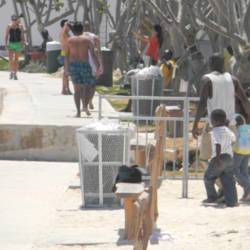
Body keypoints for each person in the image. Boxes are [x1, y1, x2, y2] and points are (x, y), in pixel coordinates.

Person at [192, 54, 250, 159]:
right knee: (228, 160)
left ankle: (215, 174)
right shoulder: (233, 79)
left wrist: (195, 123)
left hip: (213, 126)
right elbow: (245, 100)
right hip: (231, 125)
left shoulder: (207, 79)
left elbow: (202, 104)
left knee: (206, 157)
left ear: (210, 64)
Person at [64, 22, 100, 117]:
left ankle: (78, 112)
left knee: (77, 89)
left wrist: (66, 69)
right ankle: (85, 105)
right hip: (84, 65)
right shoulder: (88, 40)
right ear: (82, 30)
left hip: (74, 66)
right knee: (88, 87)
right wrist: (98, 67)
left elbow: (66, 56)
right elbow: (93, 55)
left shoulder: (69, 41)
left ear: (73, 30)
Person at [203, 109, 238, 207]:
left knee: (208, 178)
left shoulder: (215, 131)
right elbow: (233, 139)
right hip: (229, 157)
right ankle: (232, 202)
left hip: (219, 158)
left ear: (214, 121)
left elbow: (217, 144)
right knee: (228, 180)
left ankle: (212, 197)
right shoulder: (228, 130)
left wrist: (218, 159)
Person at [82, 21, 103, 110]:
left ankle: (84, 103)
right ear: (90, 27)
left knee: (83, 84)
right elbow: (99, 51)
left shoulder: (79, 37)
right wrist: (100, 64)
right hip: (93, 63)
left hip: (83, 62)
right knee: (93, 84)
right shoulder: (95, 37)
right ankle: (90, 100)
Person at [5, 14, 26, 80]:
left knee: (16, 60)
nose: (14, 21)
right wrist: (6, 44)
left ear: (17, 20)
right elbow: (6, 36)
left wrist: (24, 42)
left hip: (18, 44)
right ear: (11, 20)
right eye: (13, 20)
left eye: (15, 20)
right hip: (11, 44)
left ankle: (15, 74)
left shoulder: (20, 26)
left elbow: (22, 36)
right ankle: (11, 72)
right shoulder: (9, 26)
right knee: (11, 59)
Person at [59, 19, 72, 95]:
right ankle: (67, 89)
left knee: (65, 72)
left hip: (66, 53)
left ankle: (64, 89)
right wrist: (66, 24)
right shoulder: (63, 33)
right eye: (68, 25)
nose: (70, 26)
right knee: (66, 72)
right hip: (65, 53)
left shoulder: (67, 33)